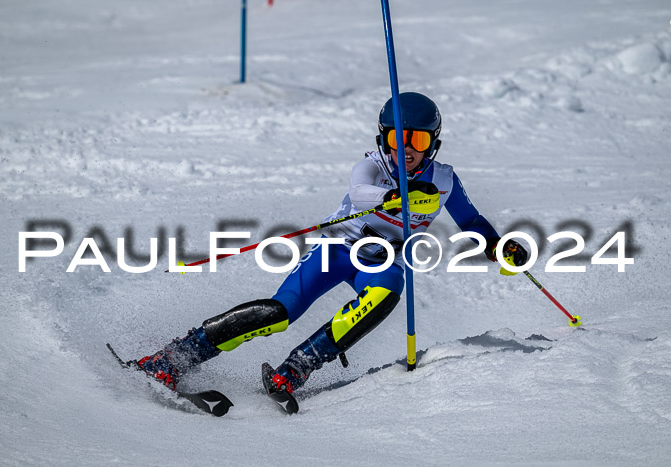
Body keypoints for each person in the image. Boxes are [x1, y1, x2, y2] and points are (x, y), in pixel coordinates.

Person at [133, 92, 528, 397]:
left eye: (418, 140)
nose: (406, 148)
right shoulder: (371, 164)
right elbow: (360, 194)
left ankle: (297, 368)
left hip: (384, 261)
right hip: (338, 248)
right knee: (278, 313)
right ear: (383, 138)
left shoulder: (444, 180)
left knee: (389, 292)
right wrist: (396, 198)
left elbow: (471, 221)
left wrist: (496, 245)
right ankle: (173, 358)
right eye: (397, 137)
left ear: (433, 144)